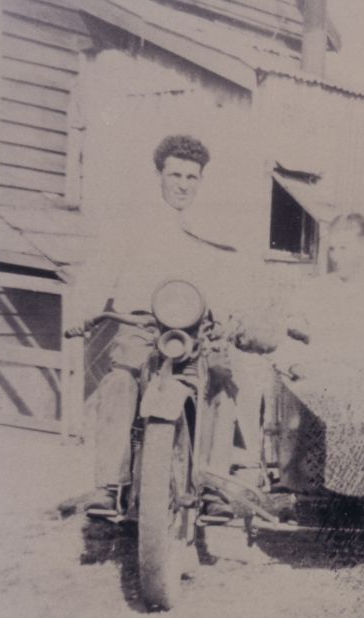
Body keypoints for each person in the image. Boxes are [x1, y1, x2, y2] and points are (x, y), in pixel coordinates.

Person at [77, 134, 278, 515]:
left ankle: (214, 486)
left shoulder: (211, 229)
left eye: (191, 177)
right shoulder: (132, 225)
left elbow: (231, 279)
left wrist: (232, 317)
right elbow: (100, 270)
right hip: (140, 327)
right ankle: (108, 486)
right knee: (119, 381)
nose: (183, 184)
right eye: (175, 175)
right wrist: (84, 309)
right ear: (159, 175)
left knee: (222, 382)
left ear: (201, 180)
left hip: (195, 331)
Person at [273, 213, 364, 496]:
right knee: (299, 399)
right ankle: (297, 480)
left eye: (345, 248)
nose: (337, 257)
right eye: (333, 249)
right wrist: (295, 362)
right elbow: (292, 336)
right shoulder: (314, 291)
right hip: (320, 375)